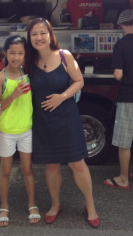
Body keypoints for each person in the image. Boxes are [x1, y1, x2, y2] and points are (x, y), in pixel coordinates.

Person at [23, 18, 100, 228]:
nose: (38, 37)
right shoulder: (28, 61)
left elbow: (79, 81)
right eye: (34, 34)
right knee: (51, 164)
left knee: (77, 163)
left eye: (42, 32)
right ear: (29, 39)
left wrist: (61, 96)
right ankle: (55, 205)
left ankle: (90, 206)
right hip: (43, 120)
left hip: (67, 117)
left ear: (50, 35)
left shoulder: (64, 56)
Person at [0, 35, 41, 227]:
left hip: (26, 129)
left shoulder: (28, 72)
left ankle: (32, 204)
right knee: (5, 171)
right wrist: (13, 95)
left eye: (20, 53)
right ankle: (4, 206)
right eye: (12, 52)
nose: (16, 57)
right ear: (4, 53)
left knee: (27, 169)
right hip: (6, 131)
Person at [104, 9, 133, 190]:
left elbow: (118, 75)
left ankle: (123, 178)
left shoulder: (121, 44)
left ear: (121, 25)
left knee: (124, 141)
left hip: (128, 98)